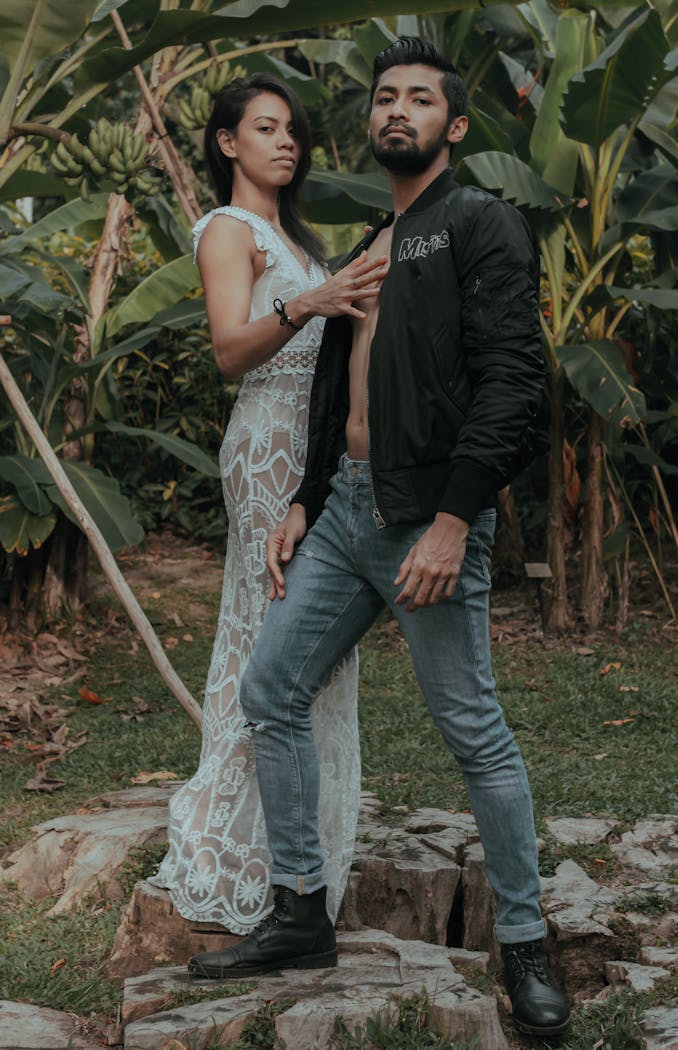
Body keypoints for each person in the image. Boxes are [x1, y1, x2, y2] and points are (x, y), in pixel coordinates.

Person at [188, 42, 570, 1039]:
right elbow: (332, 388)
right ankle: (301, 913)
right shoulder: (367, 240)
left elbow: (515, 389)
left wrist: (453, 518)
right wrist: (308, 497)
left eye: (420, 99)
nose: (397, 109)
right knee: (269, 689)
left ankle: (527, 941)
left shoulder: (479, 224)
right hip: (345, 513)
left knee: (472, 728)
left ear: (454, 126)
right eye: (384, 97)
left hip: (423, 521)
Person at [152, 73, 386, 935]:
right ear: (227, 143)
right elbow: (228, 349)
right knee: (270, 630)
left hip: (316, 453)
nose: (285, 142)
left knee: (313, 651)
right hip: (264, 453)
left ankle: (303, 851)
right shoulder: (228, 231)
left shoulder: (299, 236)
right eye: (264, 128)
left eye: (292, 130)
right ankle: (247, 850)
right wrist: (310, 298)